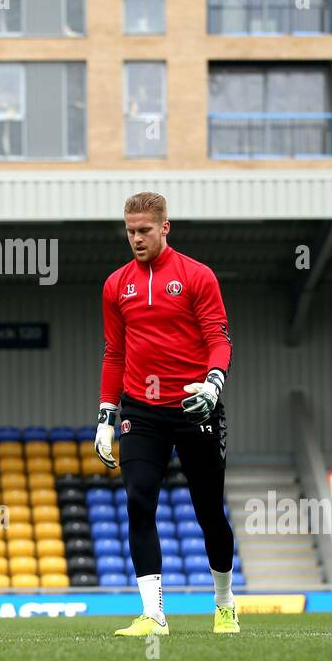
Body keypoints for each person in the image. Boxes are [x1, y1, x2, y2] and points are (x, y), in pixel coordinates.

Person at [95, 191, 238, 636]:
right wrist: (105, 414)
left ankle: (224, 601)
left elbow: (219, 338)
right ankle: (153, 615)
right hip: (141, 409)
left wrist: (213, 382)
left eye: (144, 231)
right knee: (139, 501)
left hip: (195, 403)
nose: (136, 239)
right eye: (130, 231)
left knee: (209, 511)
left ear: (164, 228)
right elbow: (114, 352)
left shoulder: (197, 276)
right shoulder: (116, 285)